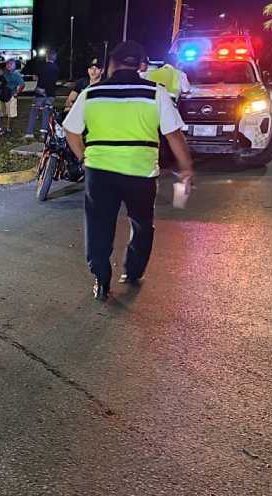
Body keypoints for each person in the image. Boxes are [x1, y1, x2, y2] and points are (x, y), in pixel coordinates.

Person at [62, 40, 193, 301]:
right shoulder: (156, 93)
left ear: (112, 64)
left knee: (99, 226)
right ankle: (132, 271)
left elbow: (71, 130)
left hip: (99, 172)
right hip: (140, 173)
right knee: (142, 224)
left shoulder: (92, 93)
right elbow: (174, 136)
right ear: (141, 66)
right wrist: (186, 167)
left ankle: (101, 278)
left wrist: (84, 156)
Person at [25, 50, 59, 138]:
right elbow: (55, 81)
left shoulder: (41, 66)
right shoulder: (56, 68)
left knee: (34, 112)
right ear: (55, 58)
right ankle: (43, 134)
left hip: (40, 93)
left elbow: (35, 77)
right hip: (51, 94)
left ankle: (29, 133)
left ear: (46, 56)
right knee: (46, 113)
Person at [0, 59, 25, 135]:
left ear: (14, 65)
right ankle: (0, 128)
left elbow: (22, 84)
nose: (9, 65)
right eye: (7, 64)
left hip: (11, 95)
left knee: (11, 114)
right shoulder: (5, 73)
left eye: (11, 64)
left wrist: (17, 93)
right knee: (1, 112)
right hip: (3, 95)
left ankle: (8, 129)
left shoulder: (16, 74)